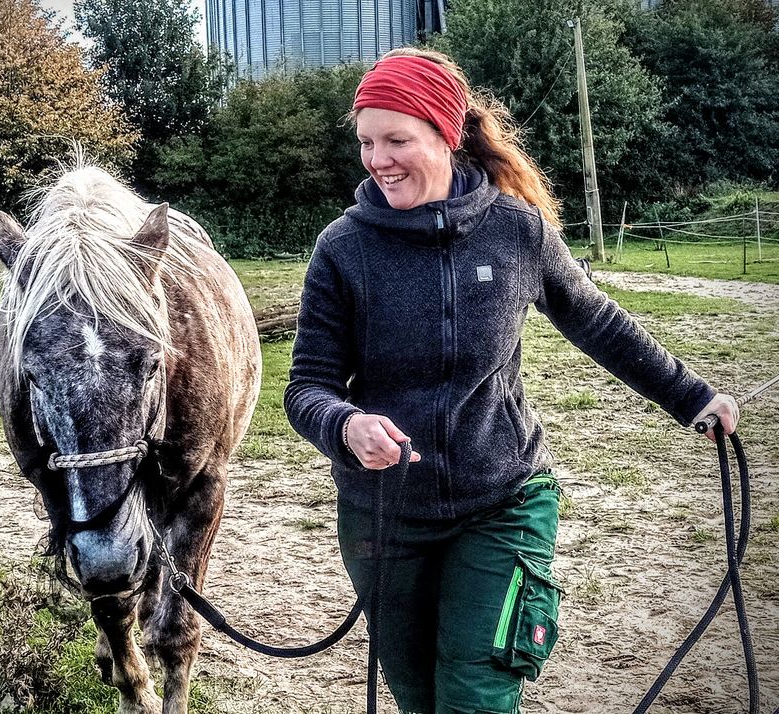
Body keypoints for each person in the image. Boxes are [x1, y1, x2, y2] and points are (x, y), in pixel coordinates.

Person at [282, 47, 739, 714]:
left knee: (474, 698)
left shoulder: (516, 232)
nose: (378, 158)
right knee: (420, 699)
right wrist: (345, 425)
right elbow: (307, 388)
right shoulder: (343, 249)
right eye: (367, 141)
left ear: (447, 134)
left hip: (503, 500)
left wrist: (691, 395)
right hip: (384, 516)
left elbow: (598, 322)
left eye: (397, 139)